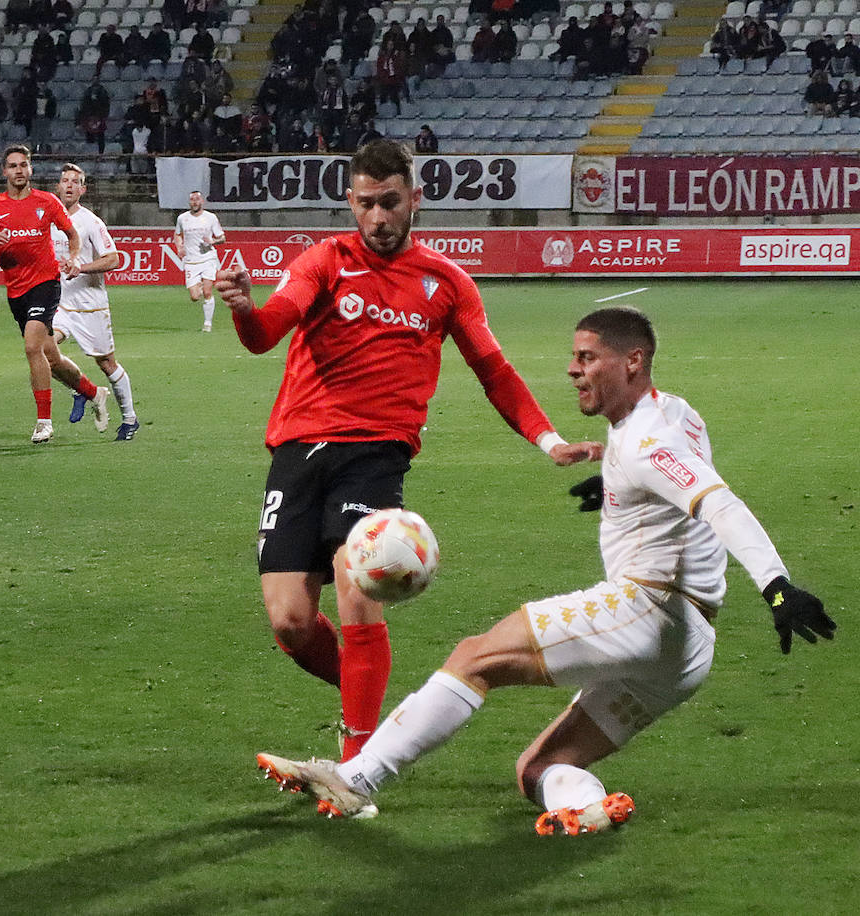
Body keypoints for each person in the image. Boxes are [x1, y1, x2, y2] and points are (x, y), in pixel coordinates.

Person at [256, 306, 837, 829]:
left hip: (649, 610)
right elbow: (668, 468)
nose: (572, 370)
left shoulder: (643, 447)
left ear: (631, 361)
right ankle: (583, 805)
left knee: (472, 658)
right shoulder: (677, 416)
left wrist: (777, 587)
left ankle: (358, 779)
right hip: (687, 653)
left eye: (587, 357)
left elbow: (717, 502)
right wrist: (614, 485)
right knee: (540, 766)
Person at [213, 140, 602, 764]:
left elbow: (494, 370)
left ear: (414, 199)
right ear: (350, 203)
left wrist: (548, 439)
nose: (378, 218)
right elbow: (265, 335)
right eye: (365, 205)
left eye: (390, 203)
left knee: (356, 583)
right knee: (290, 621)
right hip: (299, 447)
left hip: (377, 453)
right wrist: (242, 309)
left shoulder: (446, 282)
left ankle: (358, 761)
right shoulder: (323, 262)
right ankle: (372, 703)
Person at [0, 146, 109, 444]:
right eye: (13, 166)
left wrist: (72, 257)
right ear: (4, 171)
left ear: (31, 170)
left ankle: (44, 422)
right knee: (50, 359)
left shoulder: (46, 201)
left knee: (32, 347)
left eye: (24, 165)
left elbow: (72, 234)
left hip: (46, 283)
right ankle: (95, 393)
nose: (19, 170)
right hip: (16, 291)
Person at [50, 163, 141, 441]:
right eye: (64, 180)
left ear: (82, 189)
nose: (68, 185)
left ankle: (130, 419)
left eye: (74, 182)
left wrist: (82, 267)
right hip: (60, 304)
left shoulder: (91, 222)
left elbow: (114, 258)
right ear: (58, 186)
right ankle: (82, 389)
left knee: (107, 363)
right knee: (44, 352)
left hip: (91, 305)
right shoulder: (50, 220)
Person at [174, 190, 225, 332]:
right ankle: (201, 286)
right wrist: (179, 247)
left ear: (202, 201)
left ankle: (207, 324)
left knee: (208, 292)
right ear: (189, 202)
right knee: (195, 297)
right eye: (192, 199)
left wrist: (213, 241)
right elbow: (177, 235)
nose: (195, 202)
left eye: (197, 199)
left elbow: (222, 238)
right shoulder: (182, 218)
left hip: (208, 258)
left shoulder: (211, 218)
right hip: (191, 261)